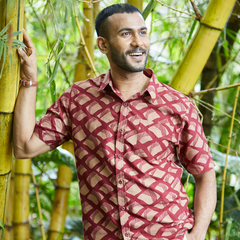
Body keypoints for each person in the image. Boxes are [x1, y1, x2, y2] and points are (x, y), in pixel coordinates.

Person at [14, 3, 216, 240]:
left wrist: (198, 234)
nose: (138, 42)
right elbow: (24, 147)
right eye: (126, 34)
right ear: (103, 45)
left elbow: (205, 174)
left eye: (142, 32)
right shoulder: (78, 99)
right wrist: (29, 79)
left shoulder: (177, 105)